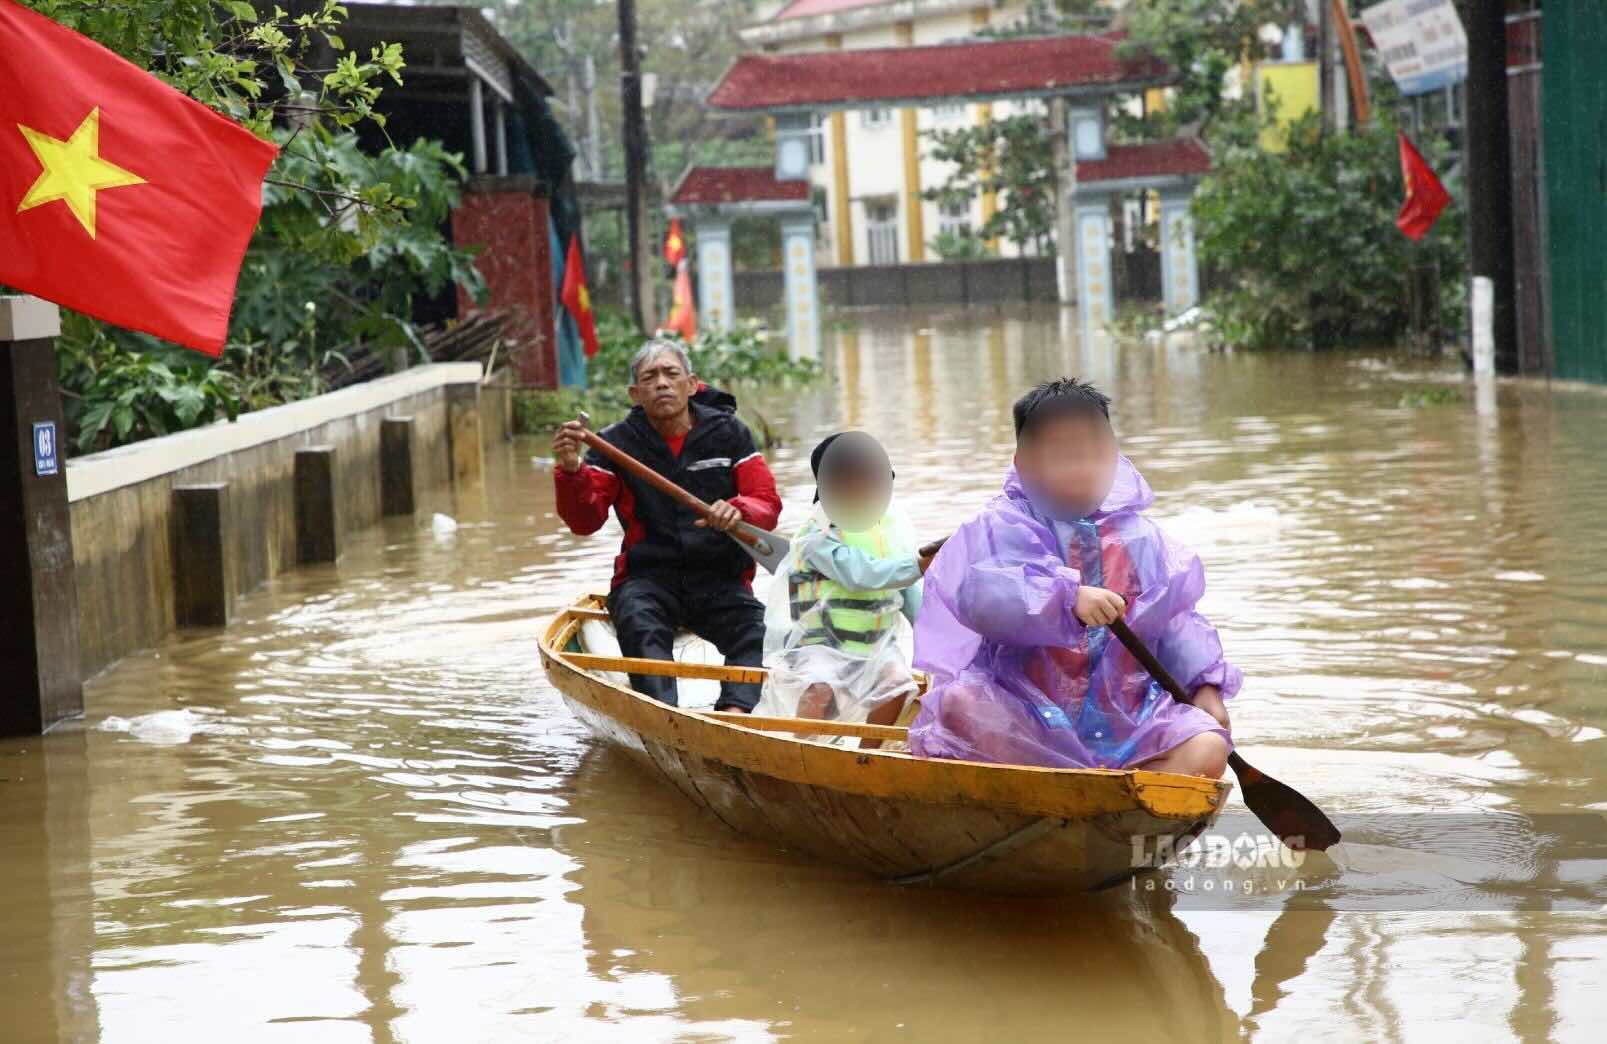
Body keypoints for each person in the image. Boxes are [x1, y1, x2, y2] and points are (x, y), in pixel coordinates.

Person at [910, 378, 1238, 778]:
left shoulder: (1140, 538)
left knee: (1207, 745)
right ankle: (1059, 785)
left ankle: (1115, 790)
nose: (1082, 470)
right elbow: (985, 596)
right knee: (960, 704)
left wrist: (1205, 686)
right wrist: (1065, 598)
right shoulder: (1001, 525)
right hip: (1025, 714)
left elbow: (1176, 622)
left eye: (1094, 454)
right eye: (1063, 456)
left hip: (1126, 719)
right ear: (1025, 463)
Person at [552, 338, 781, 712]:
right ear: (635, 393)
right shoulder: (614, 444)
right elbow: (584, 521)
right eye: (650, 377)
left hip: (719, 577)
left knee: (760, 633)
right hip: (647, 579)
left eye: (671, 374)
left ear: (691, 384)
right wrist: (572, 471)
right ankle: (663, 715)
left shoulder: (729, 433)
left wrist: (738, 509)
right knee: (640, 627)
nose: (661, 383)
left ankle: (735, 714)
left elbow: (767, 503)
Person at [756, 432, 933, 732]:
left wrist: (938, 639)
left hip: (876, 646)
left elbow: (908, 593)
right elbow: (862, 574)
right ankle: (800, 749)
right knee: (820, 690)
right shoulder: (816, 537)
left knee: (899, 685)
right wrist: (920, 564)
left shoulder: (888, 528)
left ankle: (868, 756)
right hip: (819, 645)